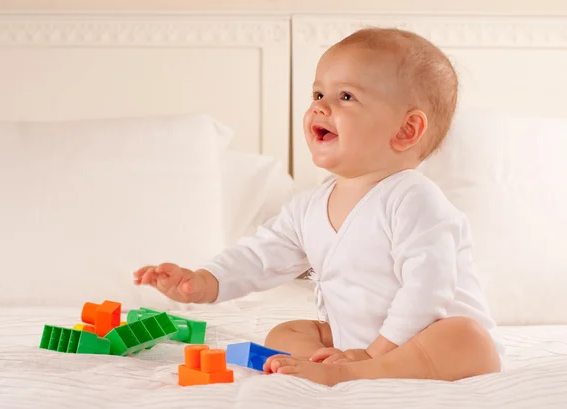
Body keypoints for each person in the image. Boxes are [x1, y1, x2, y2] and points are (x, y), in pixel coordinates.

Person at [133, 27, 503, 386]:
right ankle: (337, 363)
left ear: (406, 131)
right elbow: (260, 257)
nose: (320, 107)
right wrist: (203, 281)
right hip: (356, 341)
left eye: (345, 97)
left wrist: (376, 352)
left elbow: (428, 289)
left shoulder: (414, 199)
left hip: (427, 338)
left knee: (466, 338)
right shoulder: (308, 206)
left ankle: (354, 372)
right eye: (317, 94)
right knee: (285, 332)